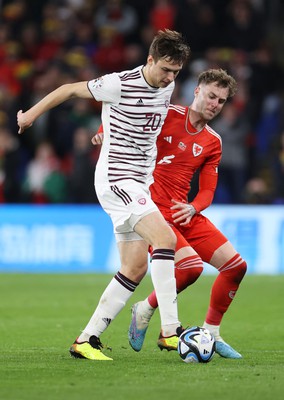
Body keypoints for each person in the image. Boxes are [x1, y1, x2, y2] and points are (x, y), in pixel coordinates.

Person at [17, 29, 191, 361]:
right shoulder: (118, 82)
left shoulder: (167, 86)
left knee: (135, 266)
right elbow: (68, 90)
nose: (170, 77)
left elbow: (140, 120)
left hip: (140, 182)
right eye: (166, 69)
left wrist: (103, 130)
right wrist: (29, 116)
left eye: (176, 72)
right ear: (150, 59)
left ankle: (86, 340)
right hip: (116, 179)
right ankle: (171, 331)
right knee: (165, 240)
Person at [93, 68, 246, 359]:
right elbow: (127, 122)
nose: (215, 104)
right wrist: (102, 133)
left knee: (236, 266)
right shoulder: (166, 114)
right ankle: (150, 312)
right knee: (190, 268)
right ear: (197, 91)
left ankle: (210, 332)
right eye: (211, 95)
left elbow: (207, 191)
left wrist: (193, 207)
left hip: (184, 211)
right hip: (152, 209)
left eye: (222, 101)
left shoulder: (213, 141)